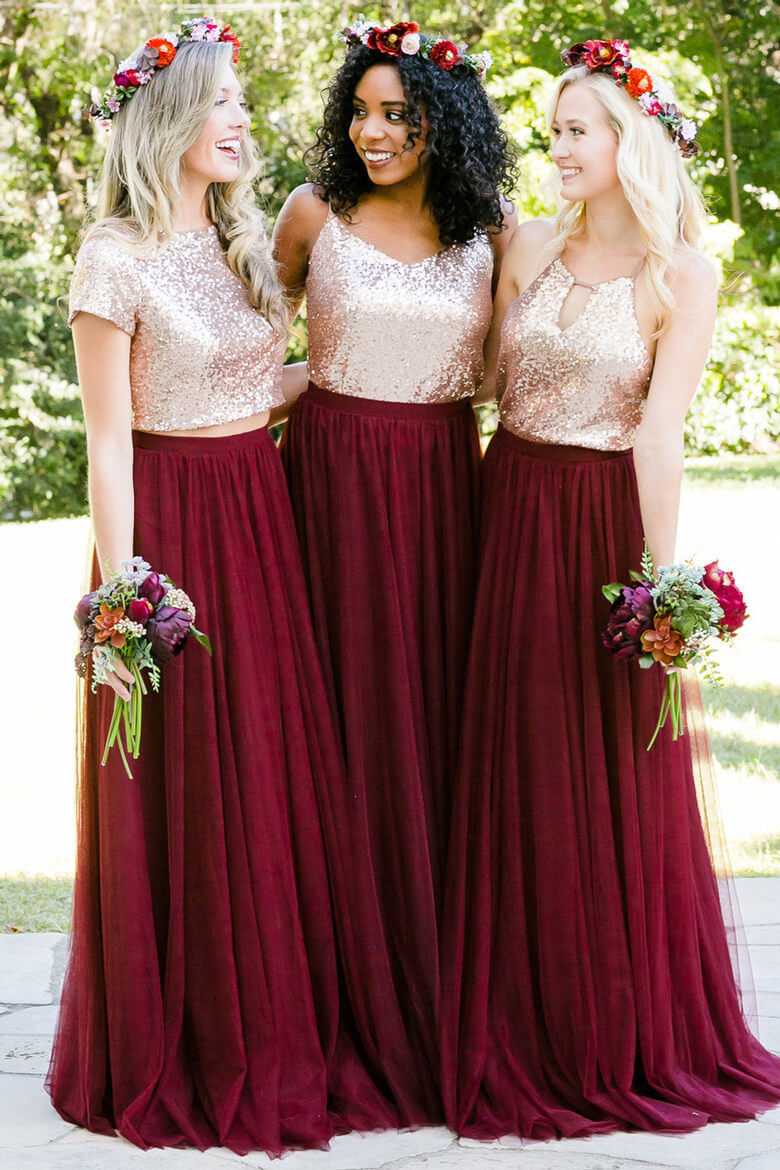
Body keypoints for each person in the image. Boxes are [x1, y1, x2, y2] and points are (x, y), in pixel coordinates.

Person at [441, 38, 780, 1141]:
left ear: (630, 138)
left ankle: (612, 1020)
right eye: (552, 130)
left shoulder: (682, 273)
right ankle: (514, 1009)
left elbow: (660, 436)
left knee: (600, 768)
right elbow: (483, 378)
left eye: (577, 127)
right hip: (509, 511)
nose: (557, 146)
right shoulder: (527, 243)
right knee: (514, 759)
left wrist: (657, 593)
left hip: (597, 532)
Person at [46, 18, 366, 1153]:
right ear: (171, 118)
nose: (240, 120)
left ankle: (283, 1014)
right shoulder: (110, 259)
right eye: (221, 103)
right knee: (187, 779)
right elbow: (109, 443)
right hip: (171, 533)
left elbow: (260, 385)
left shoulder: (237, 248)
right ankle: (186, 1035)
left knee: (269, 768)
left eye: (240, 103)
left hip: (260, 522)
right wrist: (128, 595)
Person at [272, 19, 517, 1123]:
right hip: (321, 488)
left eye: (399, 113)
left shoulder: (497, 230)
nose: (375, 132)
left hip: (441, 491)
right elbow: (241, 334)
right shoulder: (312, 214)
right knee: (330, 724)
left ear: (444, 121)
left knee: (431, 725)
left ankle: (434, 985)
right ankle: (327, 986)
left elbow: (542, 351)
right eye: (363, 111)